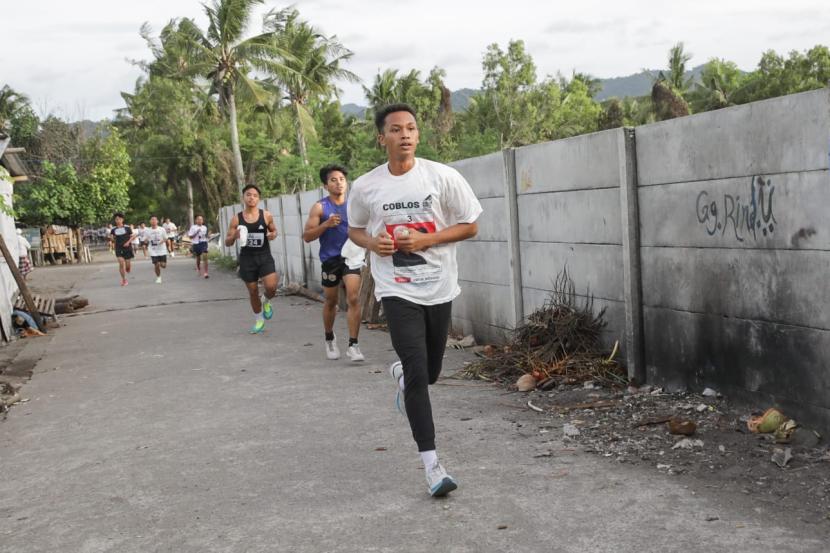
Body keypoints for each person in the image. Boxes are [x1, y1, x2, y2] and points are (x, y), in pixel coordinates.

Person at [348, 103, 482, 497]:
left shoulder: (442, 176)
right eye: (395, 129)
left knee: (430, 373)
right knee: (419, 372)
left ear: (417, 136)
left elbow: (471, 225)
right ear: (382, 138)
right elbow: (356, 229)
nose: (404, 135)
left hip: (439, 286)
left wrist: (426, 239)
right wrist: (373, 242)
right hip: (396, 288)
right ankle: (432, 465)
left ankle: (405, 377)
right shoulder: (367, 186)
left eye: (411, 128)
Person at [303, 164, 365, 362]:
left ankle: (353, 345)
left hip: (352, 256)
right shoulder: (320, 207)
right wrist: (326, 224)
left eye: (341, 179)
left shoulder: (354, 205)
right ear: (325, 185)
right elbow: (307, 236)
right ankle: (329, 338)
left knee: (354, 297)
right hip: (330, 259)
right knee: (331, 301)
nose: (339, 183)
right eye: (333, 180)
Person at [225, 185, 279, 334]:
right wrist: (234, 236)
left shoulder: (266, 215)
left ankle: (266, 301)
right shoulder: (237, 218)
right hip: (247, 259)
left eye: (255, 195)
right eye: (248, 195)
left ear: (259, 199)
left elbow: (274, 231)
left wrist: (273, 234)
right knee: (253, 291)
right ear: (244, 197)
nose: (251, 198)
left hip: (264, 256)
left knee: (271, 287)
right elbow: (227, 242)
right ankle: (259, 320)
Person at [109, 213, 134, 286]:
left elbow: (132, 236)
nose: (118, 220)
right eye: (116, 219)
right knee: (121, 263)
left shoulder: (127, 228)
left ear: (122, 220)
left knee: (127, 265)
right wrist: (111, 238)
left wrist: (128, 242)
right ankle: (124, 280)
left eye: (119, 219)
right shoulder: (113, 229)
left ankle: (128, 268)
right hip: (118, 248)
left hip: (127, 248)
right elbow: (112, 238)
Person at [145, 216, 169, 284]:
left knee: (163, 265)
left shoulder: (162, 229)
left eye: (155, 220)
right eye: (152, 220)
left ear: (157, 221)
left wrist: (162, 241)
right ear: (150, 222)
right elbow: (145, 240)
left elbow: (166, 238)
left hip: (162, 249)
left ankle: (162, 264)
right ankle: (158, 277)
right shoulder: (147, 230)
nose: (153, 221)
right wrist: (146, 240)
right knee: (156, 264)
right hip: (153, 250)